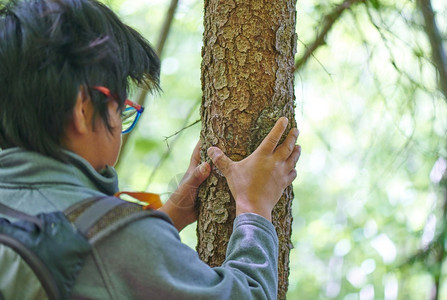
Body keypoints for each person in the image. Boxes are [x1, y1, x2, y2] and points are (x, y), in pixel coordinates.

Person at [0, 0, 301, 299]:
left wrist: (168, 218)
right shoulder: (119, 241)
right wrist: (254, 207)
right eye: (122, 110)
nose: (120, 124)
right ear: (83, 109)